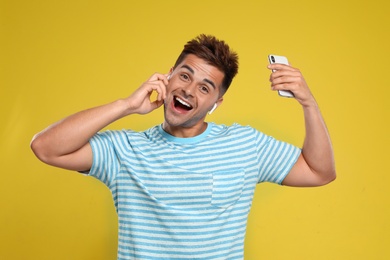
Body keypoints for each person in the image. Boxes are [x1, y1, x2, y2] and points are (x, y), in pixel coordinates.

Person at [31, 34, 336, 260]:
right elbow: (46, 147)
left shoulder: (245, 145)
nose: (189, 90)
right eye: (184, 76)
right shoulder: (125, 150)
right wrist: (126, 105)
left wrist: (308, 102)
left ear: (216, 103)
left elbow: (320, 171)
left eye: (205, 87)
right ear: (168, 75)